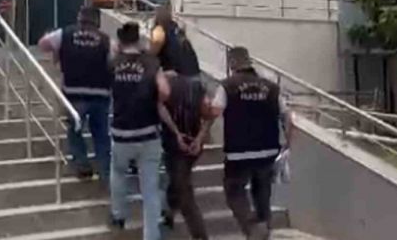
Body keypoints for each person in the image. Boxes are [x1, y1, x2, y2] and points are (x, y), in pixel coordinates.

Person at [208, 47, 293, 240]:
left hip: (239, 152)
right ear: (249, 61)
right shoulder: (272, 88)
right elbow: (287, 117)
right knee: (263, 195)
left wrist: (203, 117)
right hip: (268, 151)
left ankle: (251, 227)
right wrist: (287, 144)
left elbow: (215, 112)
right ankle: (264, 230)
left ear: (232, 63)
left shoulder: (228, 86)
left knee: (234, 191)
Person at [109, 22, 183, 240]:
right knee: (150, 187)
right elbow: (165, 91)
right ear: (139, 41)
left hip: (121, 131)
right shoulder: (152, 63)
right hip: (148, 131)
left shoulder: (113, 63)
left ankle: (119, 214)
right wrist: (152, 98)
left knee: (118, 172)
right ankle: (151, 235)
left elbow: (107, 89)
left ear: (120, 41)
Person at [38, 6, 112, 181]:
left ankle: (82, 164)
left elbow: (43, 44)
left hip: (73, 92)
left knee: (75, 129)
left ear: (80, 18)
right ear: (97, 21)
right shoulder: (105, 39)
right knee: (101, 133)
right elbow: (114, 60)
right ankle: (105, 169)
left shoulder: (65, 33)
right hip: (100, 93)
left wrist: (58, 51)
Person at [160, 70, 211, 240]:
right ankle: (169, 212)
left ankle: (199, 235)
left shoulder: (164, 90)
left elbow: (159, 111)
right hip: (193, 142)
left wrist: (176, 134)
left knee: (184, 191)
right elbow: (209, 112)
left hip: (175, 145)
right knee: (178, 179)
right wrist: (200, 138)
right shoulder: (196, 87)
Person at [150, 5, 200, 76]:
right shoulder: (176, 30)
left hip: (180, 75)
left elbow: (151, 54)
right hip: (194, 73)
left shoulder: (160, 31)